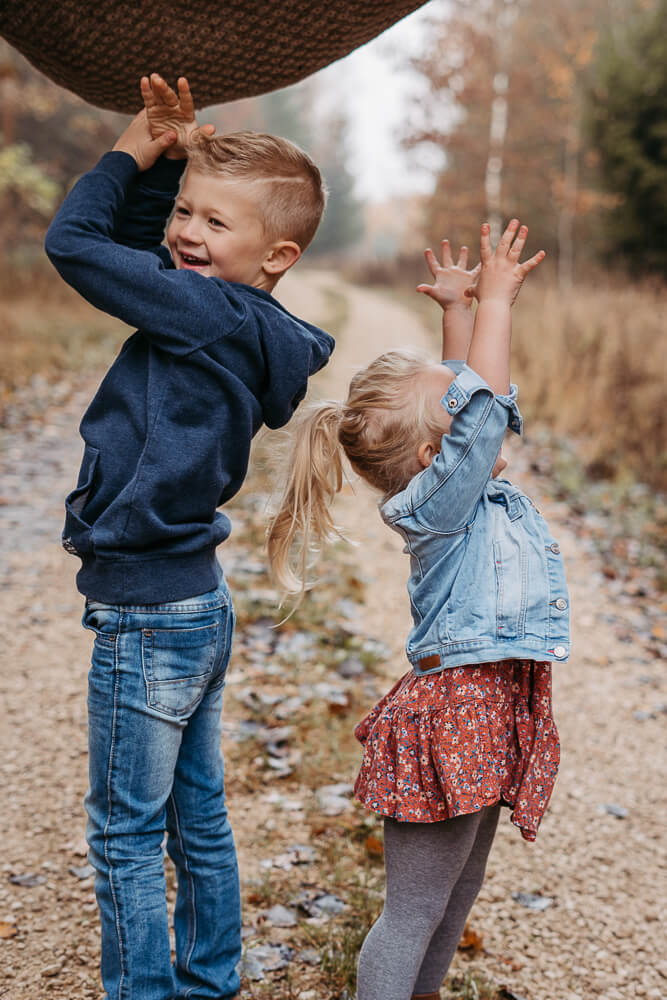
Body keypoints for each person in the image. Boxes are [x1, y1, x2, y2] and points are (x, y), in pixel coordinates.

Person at [45, 74, 334, 1000]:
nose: (185, 233)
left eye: (215, 224)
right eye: (185, 212)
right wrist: (163, 174)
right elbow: (139, 258)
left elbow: (75, 245)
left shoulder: (202, 312)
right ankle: (209, 980)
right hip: (196, 604)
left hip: (144, 612)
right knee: (196, 817)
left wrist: (130, 150)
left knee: (126, 833)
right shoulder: (242, 319)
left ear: (276, 254)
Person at [267, 220, 569, 1000]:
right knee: (413, 913)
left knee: (452, 901)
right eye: (461, 410)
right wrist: (497, 302)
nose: (475, 405)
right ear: (441, 456)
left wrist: (456, 314)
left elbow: (464, 400)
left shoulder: (451, 484)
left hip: (486, 705)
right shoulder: (438, 507)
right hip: (450, 718)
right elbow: (481, 410)